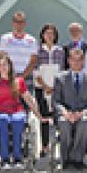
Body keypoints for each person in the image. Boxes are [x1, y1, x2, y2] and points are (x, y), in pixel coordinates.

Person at [0, 53, 49, 166]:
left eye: (5, 64)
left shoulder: (18, 81)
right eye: (0, 65)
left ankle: (18, 156)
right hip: (0, 112)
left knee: (18, 120)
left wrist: (39, 116)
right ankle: (4, 157)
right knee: (2, 120)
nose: (3, 67)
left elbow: (29, 99)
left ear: (10, 66)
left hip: (17, 111)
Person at [52, 48, 87, 168]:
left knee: (85, 122)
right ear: (68, 61)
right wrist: (65, 112)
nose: (76, 63)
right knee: (63, 123)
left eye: (79, 60)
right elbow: (55, 101)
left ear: (83, 61)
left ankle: (77, 159)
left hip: (83, 114)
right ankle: (66, 159)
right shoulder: (60, 78)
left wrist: (83, 113)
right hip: (66, 114)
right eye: (73, 60)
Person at [34, 23, 65, 157]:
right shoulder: (37, 50)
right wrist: (46, 87)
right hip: (41, 88)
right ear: (42, 35)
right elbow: (35, 71)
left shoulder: (61, 50)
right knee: (44, 117)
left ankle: (60, 145)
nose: (49, 36)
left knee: (58, 116)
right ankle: (45, 146)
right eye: (47, 33)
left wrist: (55, 88)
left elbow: (62, 70)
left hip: (57, 88)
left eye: (52, 33)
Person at [0, 11, 38, 91]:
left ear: (25, 23)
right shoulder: (5, 38)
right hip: (8, 76)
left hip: (26, 77)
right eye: (16, 21)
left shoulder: (32, 40)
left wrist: (22, 77)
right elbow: (2, 58)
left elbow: (33, 61)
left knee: (27, 102)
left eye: (21, 22)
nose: (19, 24)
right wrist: (9, 75)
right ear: (13, 23)